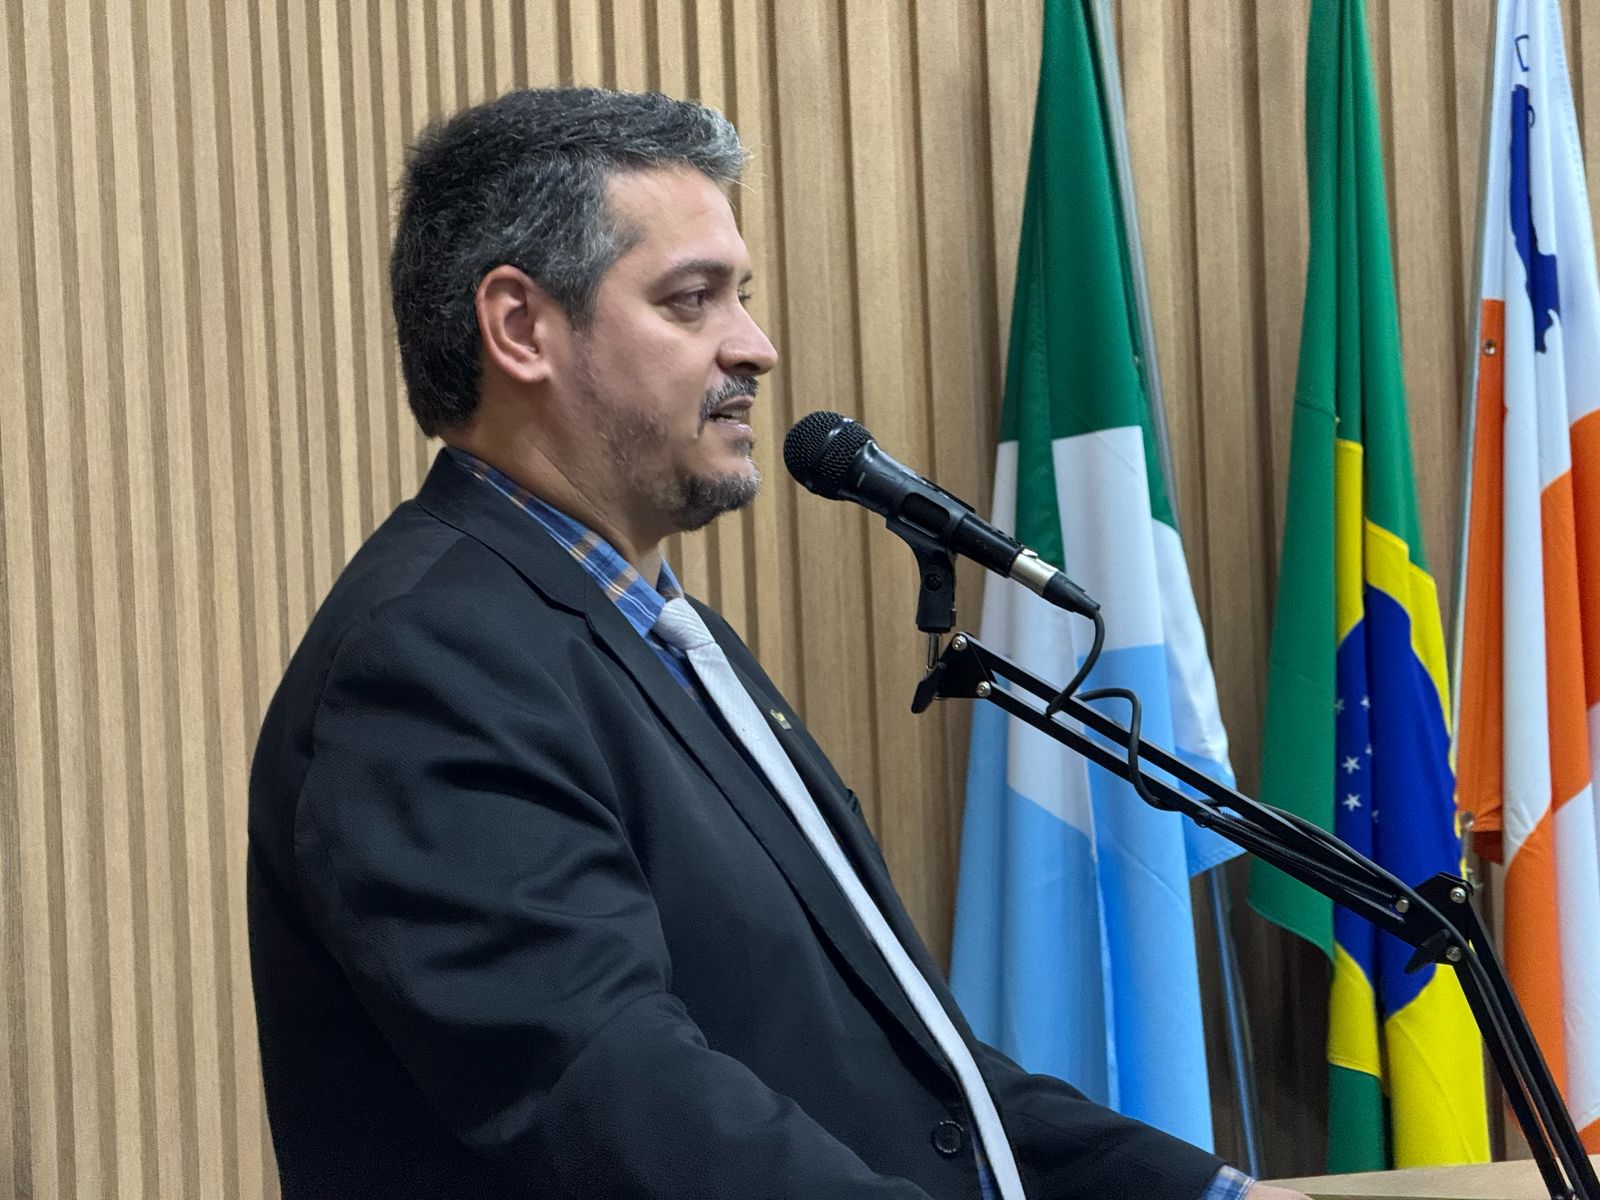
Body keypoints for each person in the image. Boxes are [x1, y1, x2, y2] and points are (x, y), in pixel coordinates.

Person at [247, 86, 1307, 1200]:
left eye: (740, 297)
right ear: (520, 327)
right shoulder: (424, 666)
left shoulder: (661, 634)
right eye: (691, 300)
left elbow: (922, 1079)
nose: (753, 348)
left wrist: (1207, 1195)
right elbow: (616, 1105)